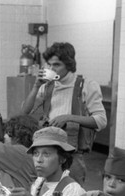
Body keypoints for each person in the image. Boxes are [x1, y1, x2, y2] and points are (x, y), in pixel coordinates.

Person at [21, 42, 107, 185]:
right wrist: (36, 86)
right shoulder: (47, 86)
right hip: (48, 150)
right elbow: (24, 112)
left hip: (72, 154)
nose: (51, 69)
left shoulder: (86, 86)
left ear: (69, 64)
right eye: (49, 65)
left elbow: (101, 121)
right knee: (46, 192)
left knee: (70, 193)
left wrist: (68, 117)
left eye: (56, 65)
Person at [12, 127, 85, 196]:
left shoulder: (72, 192)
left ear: (62, 158)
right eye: (36, 153)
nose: (39, 160)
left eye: (46, 154)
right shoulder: (40, 181)